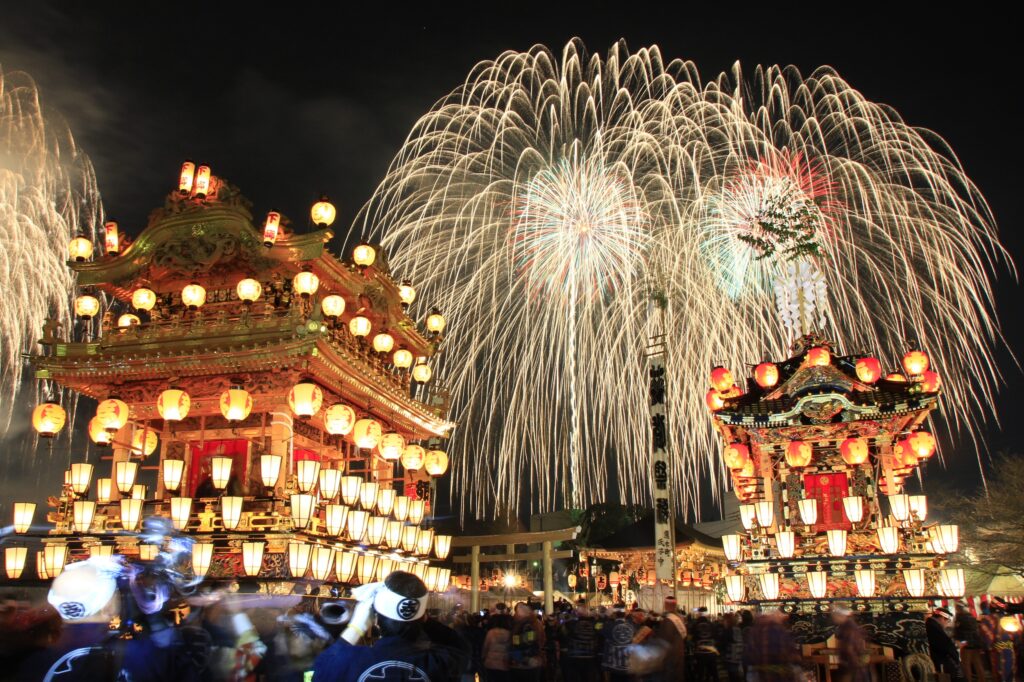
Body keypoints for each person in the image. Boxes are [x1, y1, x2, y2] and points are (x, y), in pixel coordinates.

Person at [313, 570, 470, 680]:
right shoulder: (437, 663)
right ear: (422, 618)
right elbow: (460, 648)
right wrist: (423, 618)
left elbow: (322, 669)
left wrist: (356, 628)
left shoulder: (351, 661)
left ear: (376, 619)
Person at [742, 611, 801, 682]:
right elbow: (792, 655)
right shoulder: (780, 630)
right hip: (779, 676)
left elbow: (747, 657)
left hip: (759, 676)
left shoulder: (754, 632)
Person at [560, 600, 602, 682]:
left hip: (575, 656)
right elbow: (598, 635)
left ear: (577, 614)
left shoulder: (572, 624)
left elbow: (564, 634)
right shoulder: (594, 624)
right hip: (590, 656)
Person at [927, 606, 965, 682]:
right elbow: (944, 646)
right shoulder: (933, 627)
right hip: (942, 662)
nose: (947, 624)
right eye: (947, 621)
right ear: (941, 618)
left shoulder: (931, 625)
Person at [510, 602, 545, 681]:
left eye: (518, 612)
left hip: (526, 661)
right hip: (531, 661)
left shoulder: (527, 624)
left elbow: (529, 641)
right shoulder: (535, 623)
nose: (516, 614)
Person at [832, 607, 869, 682]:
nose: (833, 618)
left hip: (851, 665)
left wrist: (850, 663)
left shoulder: (849, 628)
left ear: (841, 615)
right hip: (851, 664)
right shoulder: (846, 626)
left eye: (835, 615)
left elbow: (849, 648)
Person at [601, 604, 635, 682]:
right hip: (628, 665)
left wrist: (606, 617)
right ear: (625, 614)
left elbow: (600, 629)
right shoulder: (631, 626)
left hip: (615, 666)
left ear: (614, 614)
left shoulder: (610, 626)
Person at [656, 597, 686, 682]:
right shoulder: (680, 618)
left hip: (671, 655)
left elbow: (665, 638)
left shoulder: (668, 620)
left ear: (666, 605)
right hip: (679, 652)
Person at [955, 603, 986, 682]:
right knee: (978, 664)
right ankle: (982, 680)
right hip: (976, 643)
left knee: (966, 665)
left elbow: (958, 632)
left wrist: (958, 641)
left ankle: (968, 680)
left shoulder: (960, 618)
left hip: (966, 644)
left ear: (958, 608)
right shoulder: (971, 616)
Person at [483, 613, 514, 681]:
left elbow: (486, 647)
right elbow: (511, 648)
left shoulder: (491, 633)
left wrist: (483, 657)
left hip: (490, 663)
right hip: (504, 664)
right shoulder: (509, 634)